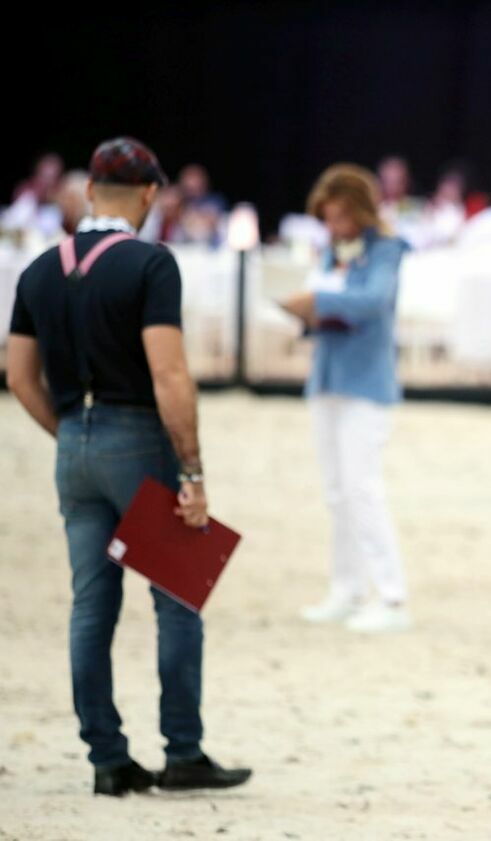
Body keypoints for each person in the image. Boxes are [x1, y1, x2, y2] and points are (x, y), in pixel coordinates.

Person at [5, 137, 251, 796]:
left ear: (88, 191)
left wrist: (69, 431)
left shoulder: (37, 270)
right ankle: (182, 748)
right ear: (149, 195)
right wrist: (192, 469)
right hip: (136, 434)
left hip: (73, 444)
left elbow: (18, 374)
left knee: (92, 605)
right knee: (176, 600)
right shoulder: (149, 263)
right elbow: (169, 373)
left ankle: (107, 756)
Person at [279, 164, 411, 633]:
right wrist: (302, 310)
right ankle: (348, 589)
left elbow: (373, 301)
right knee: (337, 493)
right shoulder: (330, 250)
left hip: (367, 384)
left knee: (363, 488)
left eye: (339, 216)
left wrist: (317, 303)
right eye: (327, 218)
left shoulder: (388, 248)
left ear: (360, 210)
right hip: (328, 378)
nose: (333, 227)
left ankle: (392, 598)